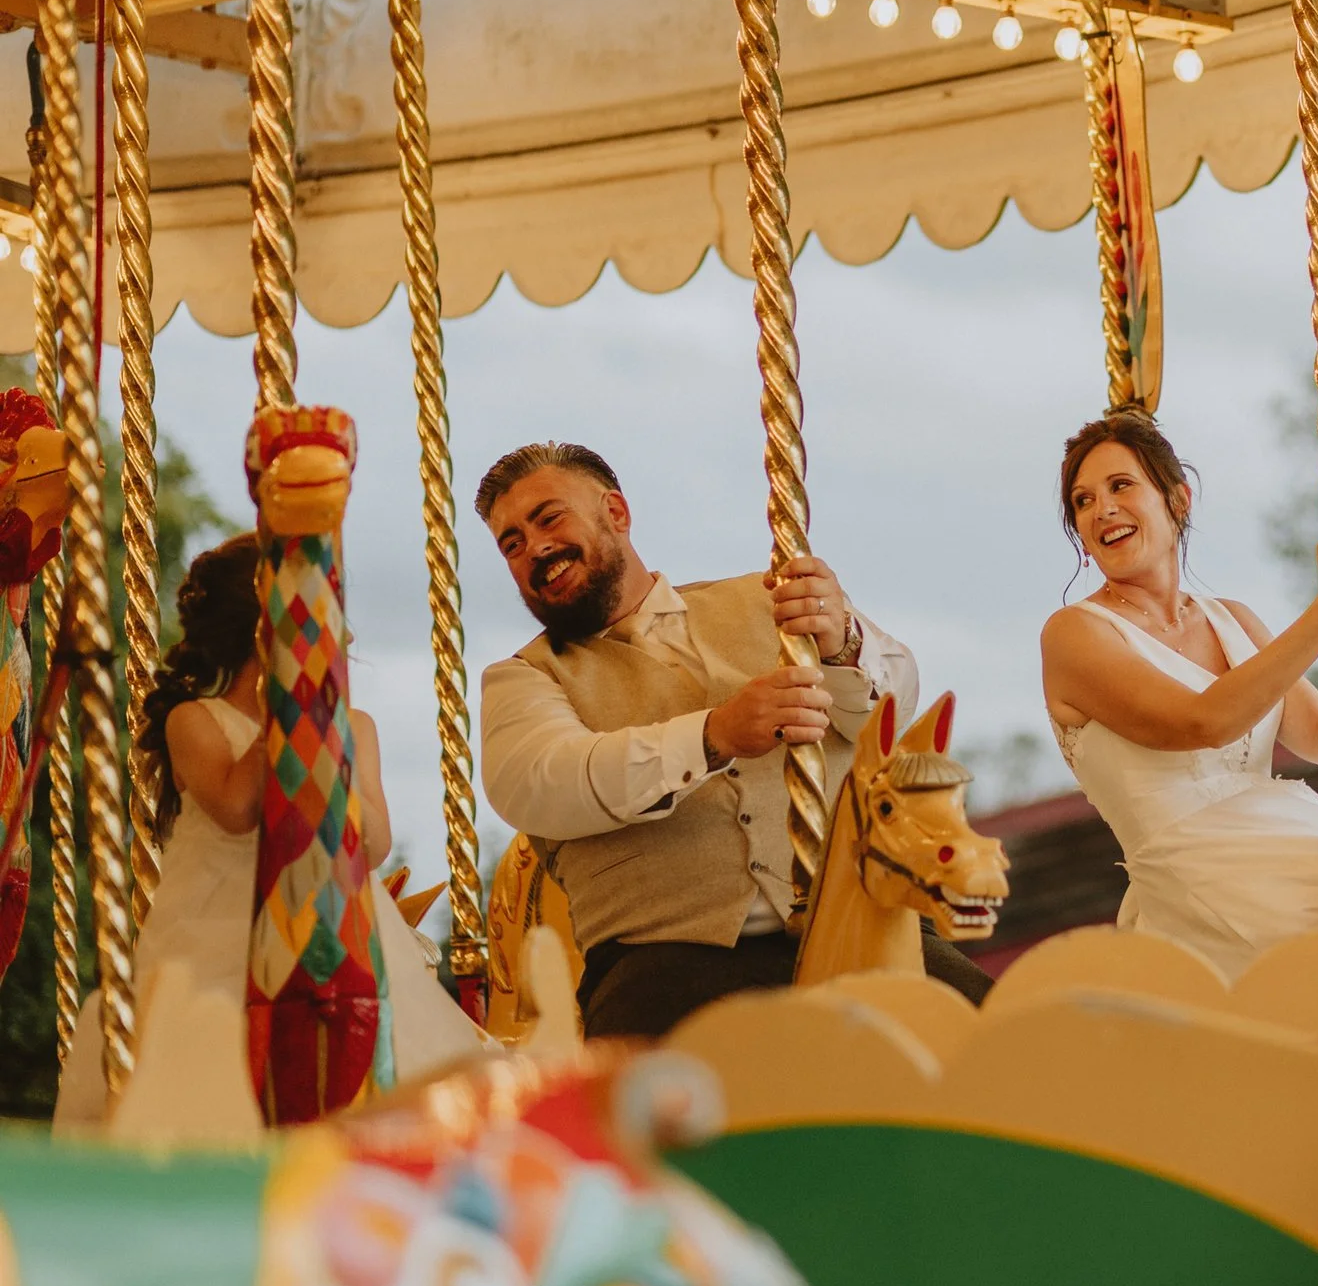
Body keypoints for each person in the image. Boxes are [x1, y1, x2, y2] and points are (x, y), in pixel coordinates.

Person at [475, 441, 991, 1039]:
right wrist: (713, 735)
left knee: (1008, 1047)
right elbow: (544, 780)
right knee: (638, 1105)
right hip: (667, 959)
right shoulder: (522, 679)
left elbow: (892, 709)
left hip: (860, 922)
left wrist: (841, 643)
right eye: (511, 543)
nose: (534, 547)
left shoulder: (771, 596)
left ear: (615, 512)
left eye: (549, 518)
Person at [55, 535, 487, 1126]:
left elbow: (377, 842)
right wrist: (287, 709)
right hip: (217, 935)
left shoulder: (355, 727)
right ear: (271, 632)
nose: (349, 637)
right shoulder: (195, 720)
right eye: (325, 618)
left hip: (335, 925)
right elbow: (236, 806)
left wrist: (324, 726)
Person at [1040, 410, 1318, 980]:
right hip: (1200, 871)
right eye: (1082, 501)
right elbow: (1200, 722)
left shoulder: (1232, 620)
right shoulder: (1074, 635)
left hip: (1287, 838)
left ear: (1177, 501)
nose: (1101, 508)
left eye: (1121, 485)